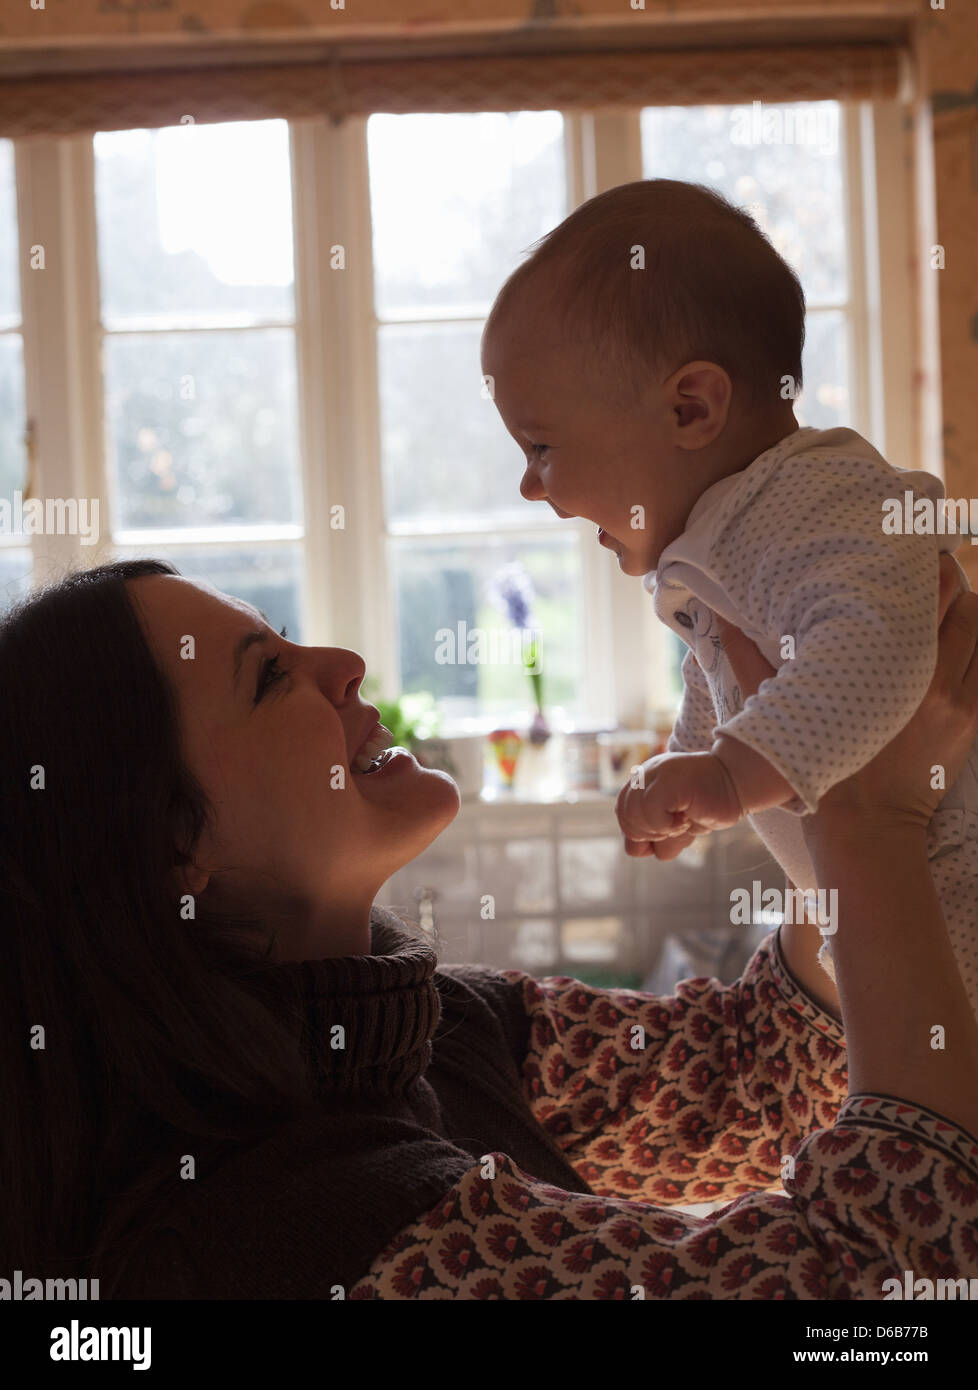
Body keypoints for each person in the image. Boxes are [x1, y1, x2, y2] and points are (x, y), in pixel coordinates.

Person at [1, 556, 977, 1300]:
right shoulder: (311, 1244)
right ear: (176, 846)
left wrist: (825, 774)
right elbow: (887, 1289)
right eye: (268, 677)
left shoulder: (437, 1027)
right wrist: (870, 827)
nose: (343, 663)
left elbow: (746, 1074)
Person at [479, 178, 978, 1016]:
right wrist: (691, 770)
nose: (531, 485)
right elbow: (725, 681)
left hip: (956, 859)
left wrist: (725, 776)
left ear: (691, 407)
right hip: (903, 873)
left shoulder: (815, 500)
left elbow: (873, 651)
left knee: (934, 1086)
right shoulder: (728, 537)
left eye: (541, 444)